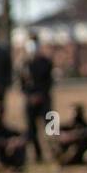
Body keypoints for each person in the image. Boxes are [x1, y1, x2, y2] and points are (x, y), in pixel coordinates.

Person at [19, 31, 54, 162]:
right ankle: (37, 155)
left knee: (51, 127)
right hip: (29, 101)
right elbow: (20, 84)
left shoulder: (46, 62)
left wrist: (41, 94)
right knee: (31, 129)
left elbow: (49, 82)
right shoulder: (22, 63)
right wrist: (30, 96)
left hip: (45, 100)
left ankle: (54, 152)